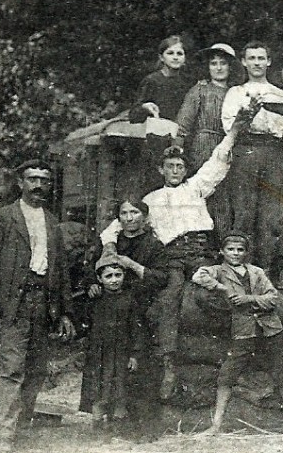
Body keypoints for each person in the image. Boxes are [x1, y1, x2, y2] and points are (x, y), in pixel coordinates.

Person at [100, 126, 242, 399]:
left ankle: (231, 357)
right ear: (160, 170)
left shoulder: (196, 188)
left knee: (214, 289)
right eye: (170, 166)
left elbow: (219, 159)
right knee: (169, 298)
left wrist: (235, 130)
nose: (176, 171)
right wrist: (109, 247)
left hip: (201, 252)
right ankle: (168, 364)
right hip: (173, 256)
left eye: (180, 166)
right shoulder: (149, 201)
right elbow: (116, 226)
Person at [0, 159, 74, 453]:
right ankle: (3, 436)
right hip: (13, 304)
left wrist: (65, 311)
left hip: (43, 303)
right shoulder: (2, 218)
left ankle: (22, 427)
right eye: (33, 179)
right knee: (11, 369)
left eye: (44, 180)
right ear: (20, 183)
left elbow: (61, 270)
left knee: (36, 369)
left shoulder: (52, 222)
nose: (39, 186)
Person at [221, 41, 283, 298]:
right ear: (244, 62)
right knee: (244, 214)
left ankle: (264, 280)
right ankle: (237, 280)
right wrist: (247, 114)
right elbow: (230, 128)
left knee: (269, 219)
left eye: (261, 58)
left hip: (274, 157)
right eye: (251, 58)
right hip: (246, 153)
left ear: (269, 62)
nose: (257, 62)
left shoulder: (282, 95)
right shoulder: (236, 92)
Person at [87, 198, 168, 440]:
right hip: (111, 309)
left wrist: (131, 264)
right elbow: (93, 270)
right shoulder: (111, 242)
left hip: (142, 310)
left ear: (144, 216)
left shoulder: (154, 245)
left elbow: (161, 278)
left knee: (137, 370)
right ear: (118, 217)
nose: (129, 217)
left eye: (135, 212)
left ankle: (140, 427)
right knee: (109, 372)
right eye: (124, 213)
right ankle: (110, 424)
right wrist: (93, 284)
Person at [191, 232, 283, 435]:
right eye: (231, 249)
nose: (235, 253)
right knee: (227, 375)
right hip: (243, 331)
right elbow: (198, 276)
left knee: (280, 373)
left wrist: (249, 299)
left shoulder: (256, 272)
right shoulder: (218, 271)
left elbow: (273, 297)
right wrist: (222, 288)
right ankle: (216, 425)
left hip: (269, 328)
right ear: (222, 252)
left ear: (246, 252)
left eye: (240, 250)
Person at [79, 254, 146, 434]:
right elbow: (85, 324)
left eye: (118, 275)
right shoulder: (95, 301)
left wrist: (134, 354)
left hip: (121, 353)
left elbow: (137, 329)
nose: (114, 280)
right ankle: (98, 424)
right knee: (99, 387)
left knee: (120, 388)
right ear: (100, 279)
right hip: (99, 353)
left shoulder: (130, 300)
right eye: (108, 276)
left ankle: (117, 424)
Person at [176, 43, 236, 240]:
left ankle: (223, 245)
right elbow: (183, 124)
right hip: (203, 147)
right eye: (213, 63)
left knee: (224, 199)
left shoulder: (236, 93)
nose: (218, 68)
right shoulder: (200, 90)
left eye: (223, 63)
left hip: (228, 148)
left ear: (231, 67)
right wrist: (177, 148)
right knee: (202, 195)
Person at [132, 35, 195, 122]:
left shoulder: (188, 83)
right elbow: (133, 114)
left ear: (185, 58)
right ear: (161, 57)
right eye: (170, 53)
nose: (175, 57)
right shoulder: (152, 81)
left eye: (179, 54)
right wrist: (145, 107)